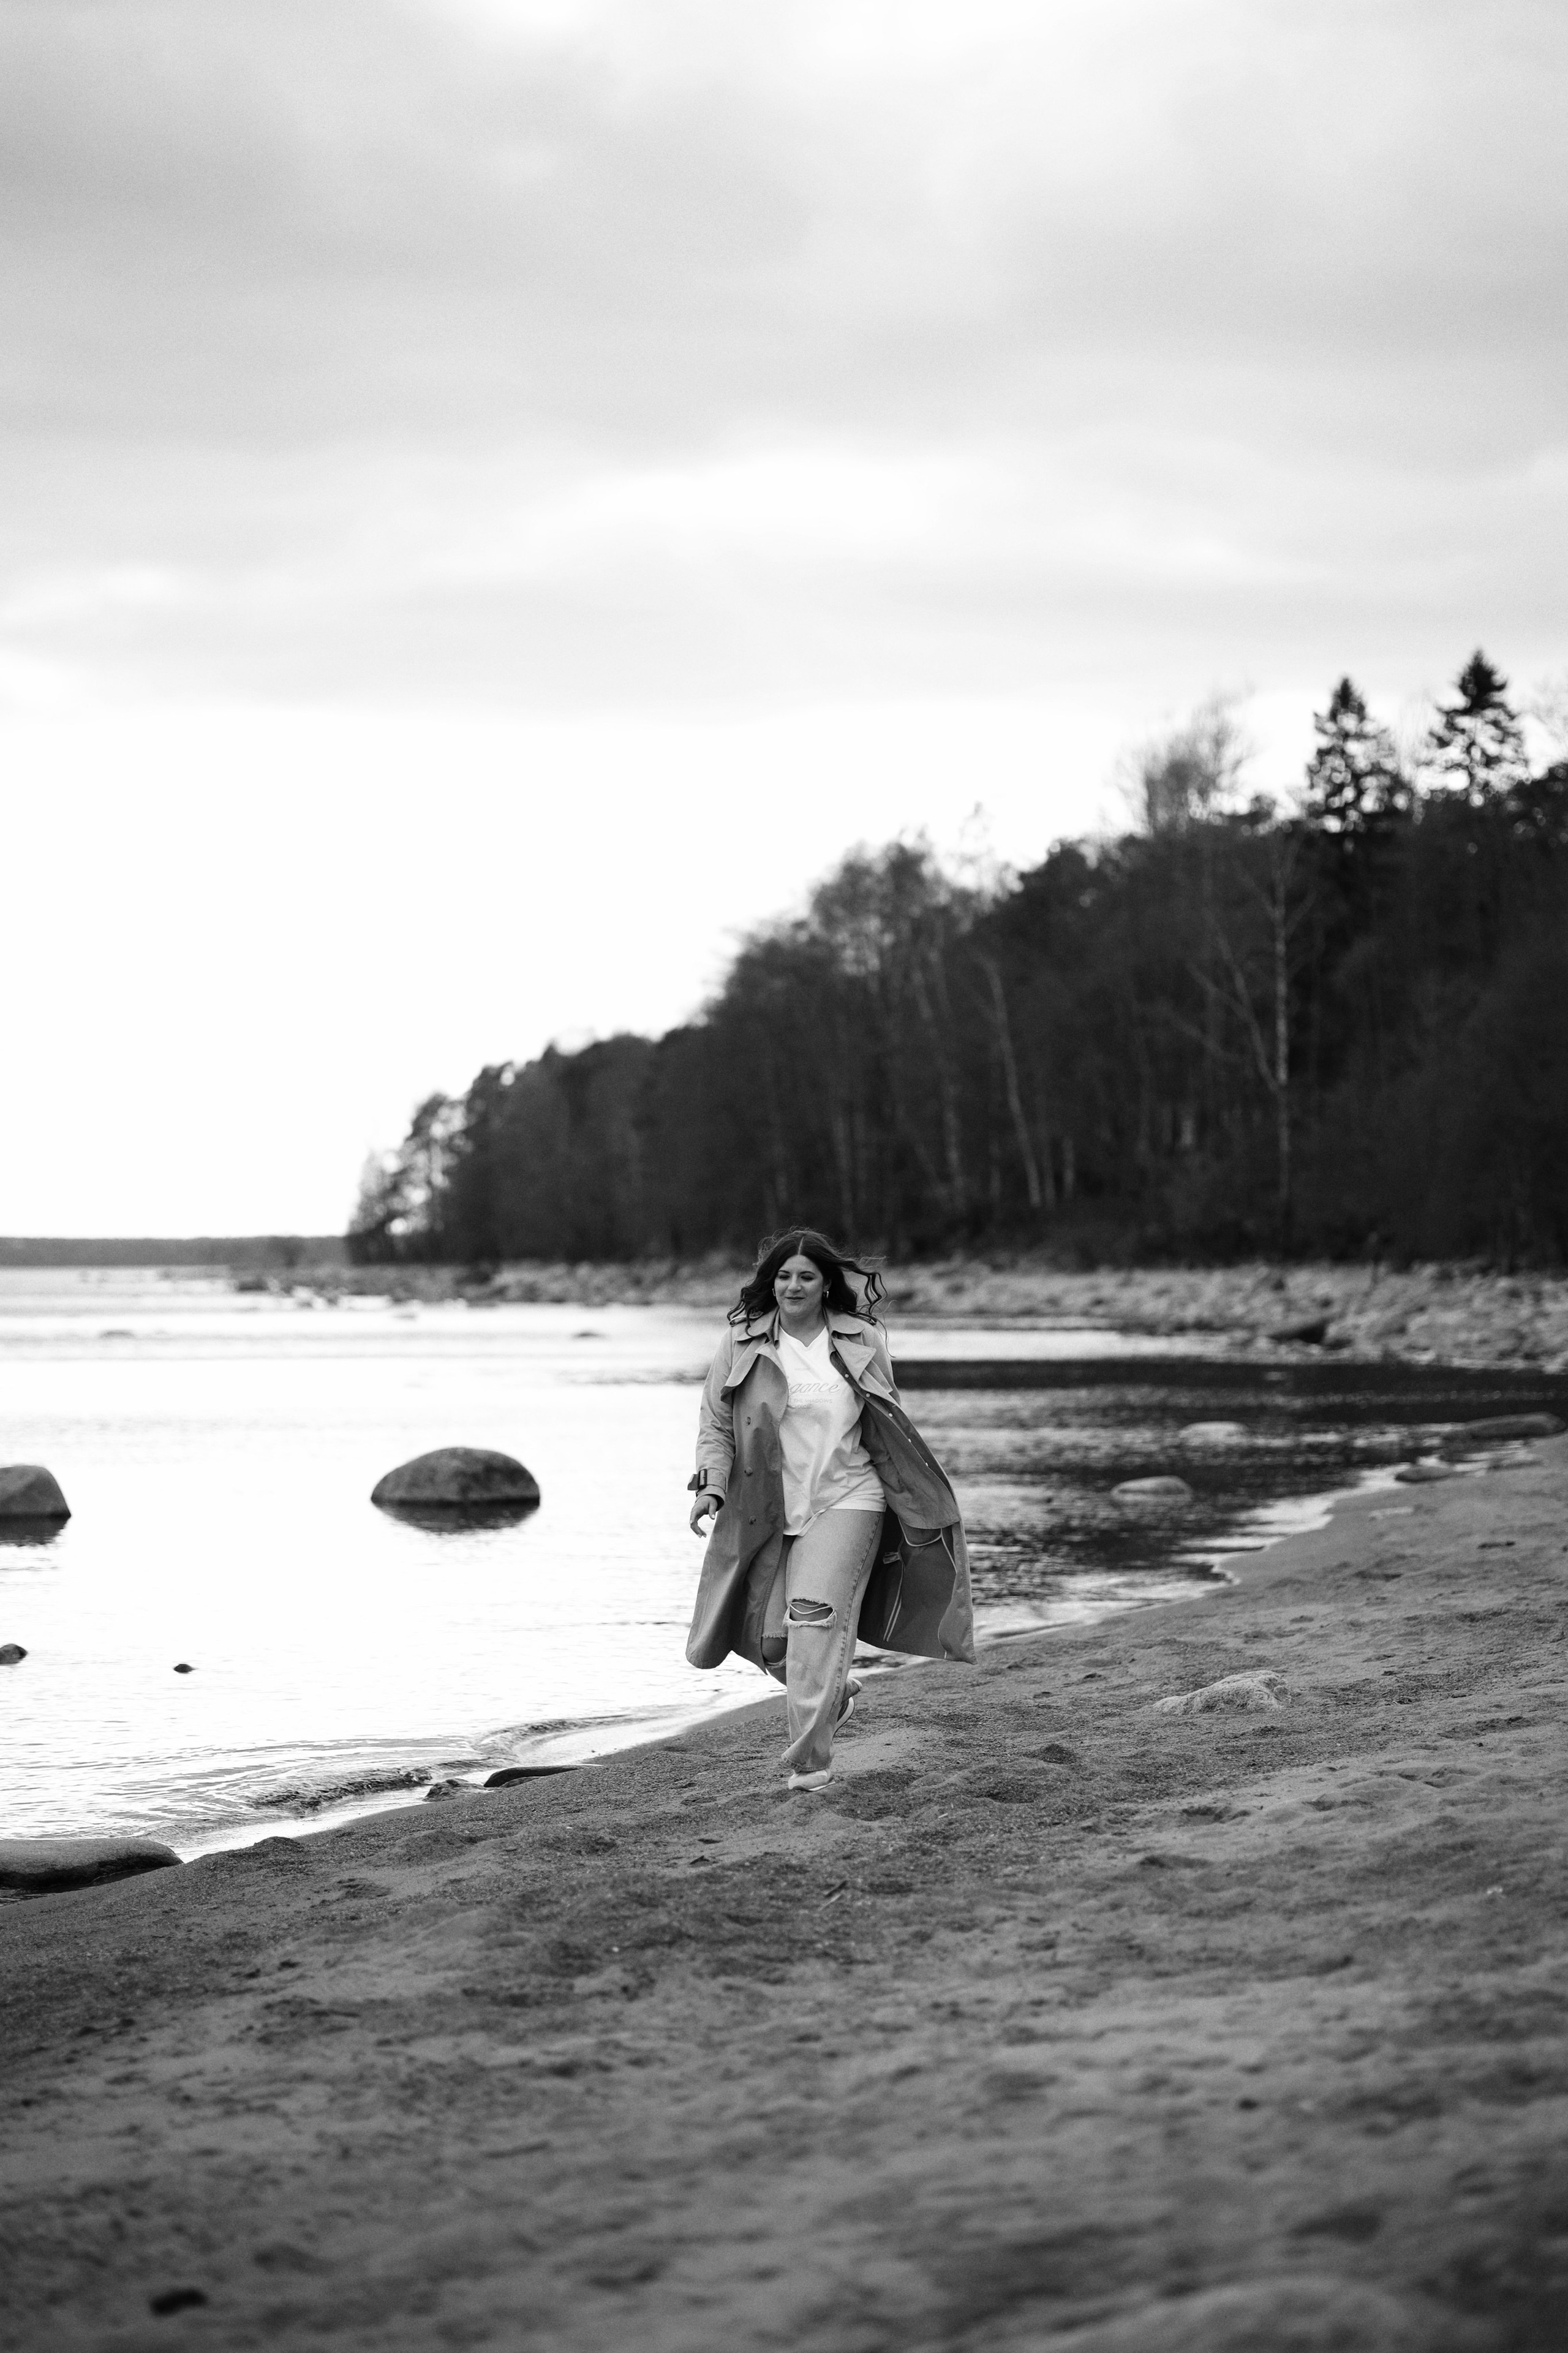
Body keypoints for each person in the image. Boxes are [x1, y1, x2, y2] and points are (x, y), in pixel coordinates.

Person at [686, 1229, 974, 1792]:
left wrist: (914, 1499)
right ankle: (835, 1695)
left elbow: (888, 1418)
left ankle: (809, 1764)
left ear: (825, 1286)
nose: (793, 1285)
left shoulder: (860, 1337)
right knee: (772, 1643)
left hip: (850, 1498)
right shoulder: (741, 1342)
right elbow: (716, 1425)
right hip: (767, 1509)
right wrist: (710, 1486)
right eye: (784, 1275)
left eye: (806, 1276)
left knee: (814, 1617)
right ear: (772, 1282)